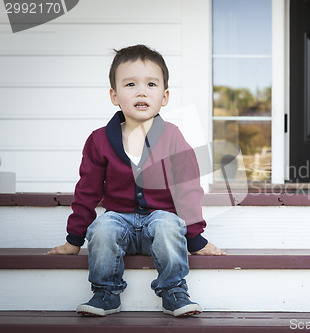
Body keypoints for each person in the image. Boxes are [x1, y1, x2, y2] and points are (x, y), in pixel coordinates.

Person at [49, 44, 225, 317]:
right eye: (130, 84)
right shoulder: (99, 140)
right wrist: (74, 239)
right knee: (102, 228)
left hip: (160, 218)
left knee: (168, 224)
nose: (141, 91)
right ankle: (106, 293)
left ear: (164, 96)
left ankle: (174, 291)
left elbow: (187, 189)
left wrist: (196, 238)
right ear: (114, 95)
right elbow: (87, 191)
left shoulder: (173, 137)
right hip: (119, 221)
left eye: (151, 84)